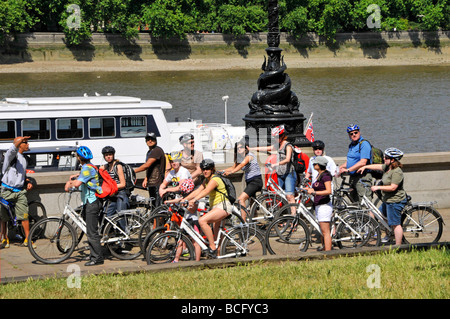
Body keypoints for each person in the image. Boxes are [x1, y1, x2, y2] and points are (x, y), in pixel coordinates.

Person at [181, 159, 232, 257]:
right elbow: (198, 190)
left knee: (202, 221)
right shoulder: (206, 180)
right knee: (217, 237)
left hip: (223, 206)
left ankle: (212, 247)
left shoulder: (215, 179)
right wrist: (184, 199)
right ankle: (218, 258)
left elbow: (205, 192)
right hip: (215, 207)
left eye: (207, 169)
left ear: (212, 169)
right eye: (203, 169)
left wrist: (194, 200)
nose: (205, 171)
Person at [357, 148, 406, 245]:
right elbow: (378, 166)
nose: (384, 158)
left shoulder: (397, 172)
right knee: (380, 216)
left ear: (393, 160)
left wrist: (378, 187)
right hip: (387, 200)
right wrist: (366, 167)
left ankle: (398, 245)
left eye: (386, 157)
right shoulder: (388, 167)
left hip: (395, 201)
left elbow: (393, 187)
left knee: (395, 224)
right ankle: (389, 234)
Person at [64, 146, 104, 266]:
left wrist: (68, 183)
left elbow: (77, 184)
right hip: (89, 201)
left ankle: (97, 258)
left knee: (92, 232)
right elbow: (84, 176)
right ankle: (93, 255)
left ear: (79, 157)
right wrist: (77, 175)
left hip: (92, 202)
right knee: (90, 230)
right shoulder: (88, 167)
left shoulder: (87, 168)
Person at [251, 125, 297, 211]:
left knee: (289, 196)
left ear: (283, 136)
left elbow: (287, 159)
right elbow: (267, 148)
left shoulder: (288, 146)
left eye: (277, 137)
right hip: (280, 173)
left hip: (289, 174)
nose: (275, 139)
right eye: (274, 137)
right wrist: (252, 148)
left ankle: (293, 218)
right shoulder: (278, 145)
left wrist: (276, 164)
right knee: (279, 196)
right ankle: (282, 217)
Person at [0, 136, 34, 248]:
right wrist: (19, 139)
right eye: (26, 142)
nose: (28, 145)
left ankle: (28, 240)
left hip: (19, 191)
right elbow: (13, 148)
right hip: (6, 191)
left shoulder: (24, 159)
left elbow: (20, 175)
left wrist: (27, 181)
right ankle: (4, 238)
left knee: (24, 216)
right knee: (3, 218)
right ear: (20, 144)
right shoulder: (10, 156)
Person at [223, 138, 263, 220]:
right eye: (237, 148)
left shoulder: (249, 156)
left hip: (256, 181)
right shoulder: (240, 158)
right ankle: (253, 220)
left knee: (241, 199)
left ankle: (243, 222)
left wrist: (231, 173)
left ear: (245, 148)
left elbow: (241, 165)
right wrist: (220, 171)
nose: (239, 149)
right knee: (252, 202)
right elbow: (233, 167)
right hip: (249, 182)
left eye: (241, 147)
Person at [303, 156, 333, 251]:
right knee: (321, 231)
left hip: (324, 206)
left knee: (325, 232)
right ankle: (324, 249)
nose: (313, 165)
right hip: (318, 205)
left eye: (315, 164)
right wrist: (308, 189)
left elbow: (328, 191)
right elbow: (317, 188)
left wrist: (314, 193)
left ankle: (328, 254)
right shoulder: (319, 175)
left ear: (320, 165)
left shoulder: (326, 176)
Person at [338, 124, 373, 202]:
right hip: (353, 178)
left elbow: (363, 162)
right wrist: (340, 168)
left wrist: (348, 170)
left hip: (362, 177)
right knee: (355, 203)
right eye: (351, 133)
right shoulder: (351, 145)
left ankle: (370, 215)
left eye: (355, 132)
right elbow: (351, 161)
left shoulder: (364, 144)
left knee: (365, 203)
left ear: (359, 132)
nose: (354, 135)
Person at [134, 132, 166, 208]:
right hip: (152, 182)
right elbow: (150, 167)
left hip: (157, 183)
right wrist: (146, 178)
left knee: (158, 207)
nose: (150, 141)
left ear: (156, 140)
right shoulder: (149, 152)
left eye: (152, 139)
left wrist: (132, 171)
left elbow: (146, 165)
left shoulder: (157, 150)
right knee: (153, 205)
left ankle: (158, 220)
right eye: (148, 139)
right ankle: (154, 219)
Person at [100, 146, 129, 218]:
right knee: (106, 216)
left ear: (113, 155)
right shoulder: (106, 167)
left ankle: (125, 229)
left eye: (110, 154)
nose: (108, 157)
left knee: (120, 216)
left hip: (121, 193)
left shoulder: (118, 166)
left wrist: (110, 187)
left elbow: (123, 184)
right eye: (106, 155)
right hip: (112, 195)